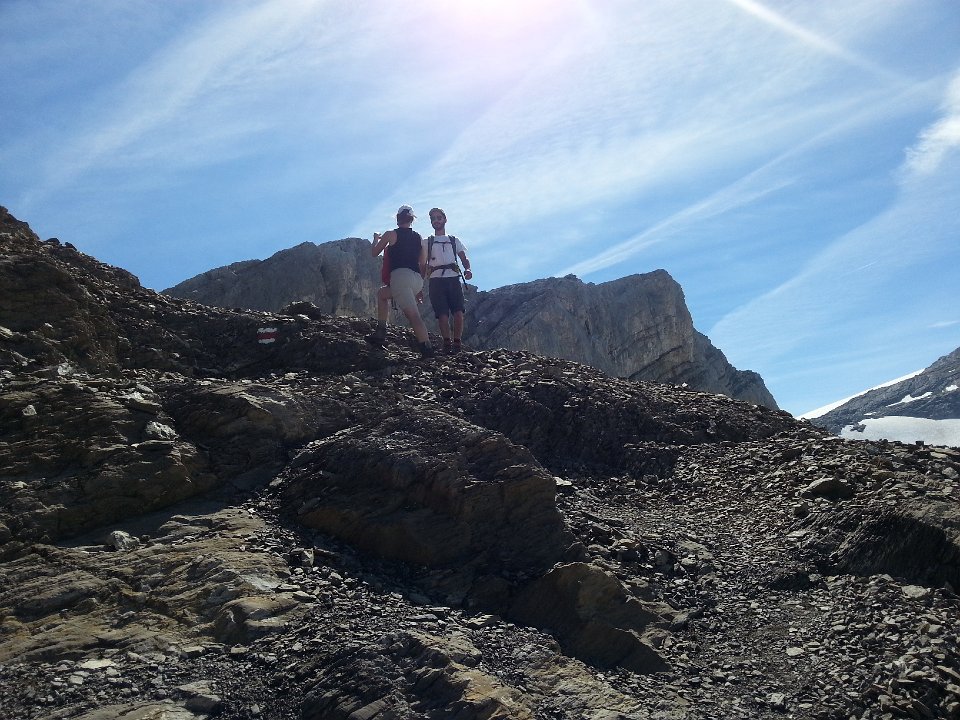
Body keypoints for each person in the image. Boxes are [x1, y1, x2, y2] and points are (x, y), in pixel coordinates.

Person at [366, 205, 435, 357]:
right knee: (382, 294)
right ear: (412, 219)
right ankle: (380, 332)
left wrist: (375, 239)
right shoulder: (419, 238)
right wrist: (419, 287)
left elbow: (374, 252)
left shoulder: (391, 234)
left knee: (413, 316)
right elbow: (423, 263)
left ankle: (427, 349)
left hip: (400, 276)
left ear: (398, 218)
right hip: (416, 279)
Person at [423, 207, 473, 354]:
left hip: (452, 278)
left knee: (458, 312)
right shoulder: (427, 242)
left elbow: (464, 258)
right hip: (436, 280)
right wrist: (419, 283)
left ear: (445, 219)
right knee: (442, 314)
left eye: (439, 218)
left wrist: (468, 269)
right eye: (433, 219)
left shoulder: (453, 240)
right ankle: (447, 343)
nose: (436, 221)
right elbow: (422, 264)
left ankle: (456, 343)